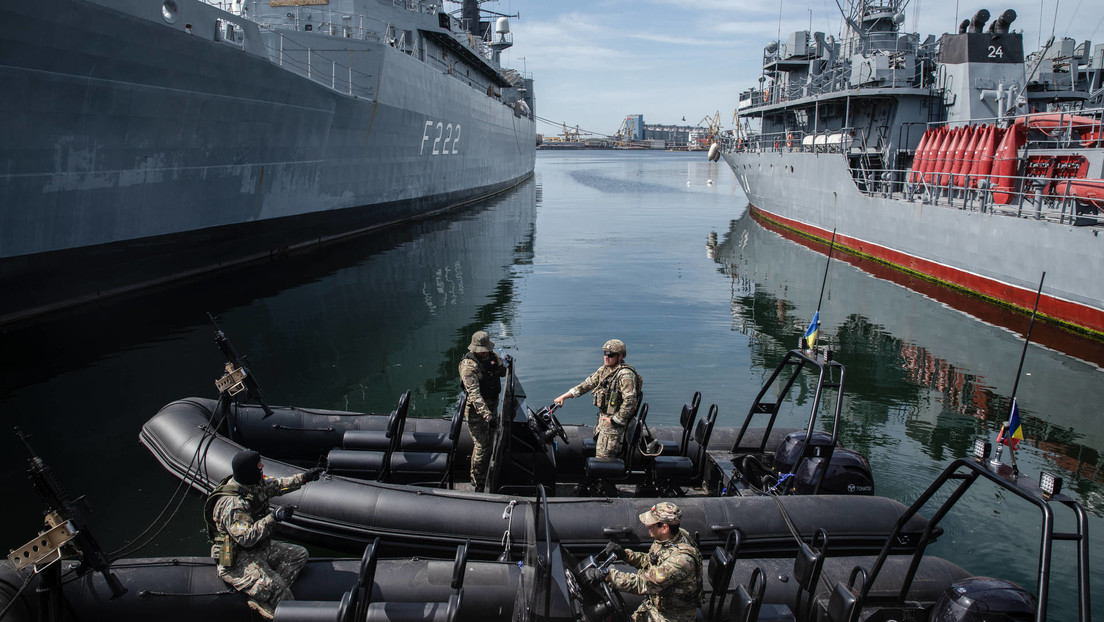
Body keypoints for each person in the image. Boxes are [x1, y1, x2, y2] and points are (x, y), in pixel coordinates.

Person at [204, 450, 325, 619]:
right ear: (249, 470)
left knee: (299, 554)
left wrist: (305, 477)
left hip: (257, 548)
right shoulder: (234, 505)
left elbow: (278, 485)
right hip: (237, 558)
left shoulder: (254, 484)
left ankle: (263, 596)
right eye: (258, 464)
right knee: (279, 589)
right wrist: (273, 517)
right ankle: (274, 597)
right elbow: (246, 538)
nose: (262, 466)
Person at [585, 502, 703, 622]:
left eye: (651, 524)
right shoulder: (669, 538)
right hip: (654, 605)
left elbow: (645, 583)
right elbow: (651, 561)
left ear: (664, 528)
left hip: (671, 616)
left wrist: (608, 576)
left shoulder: (681, 560)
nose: (647, 526)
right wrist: (626, 555)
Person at [554, 339, 642, 459]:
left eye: (610, 355)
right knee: (599, 453)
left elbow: (630, 402)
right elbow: (586, 385)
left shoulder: (625, 375)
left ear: (620, 356)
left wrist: (615, 420)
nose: (606, 357)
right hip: (603, 421)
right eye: (605, 353)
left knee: (604, 459)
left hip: (614, 426)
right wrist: (564, 396)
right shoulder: (604, 371)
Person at [458, 330, 508, 492]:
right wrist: (487, 416)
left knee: (492, 440)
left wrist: (506, 364)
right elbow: (474, 394)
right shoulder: (468, 366)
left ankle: (488, 472)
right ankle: (477, 480)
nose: (485, 353)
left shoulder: (492, 357)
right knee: (482, 445)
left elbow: (502, 372)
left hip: (492, 404)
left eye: (486, 350)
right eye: (482, 350)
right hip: (476, 412)